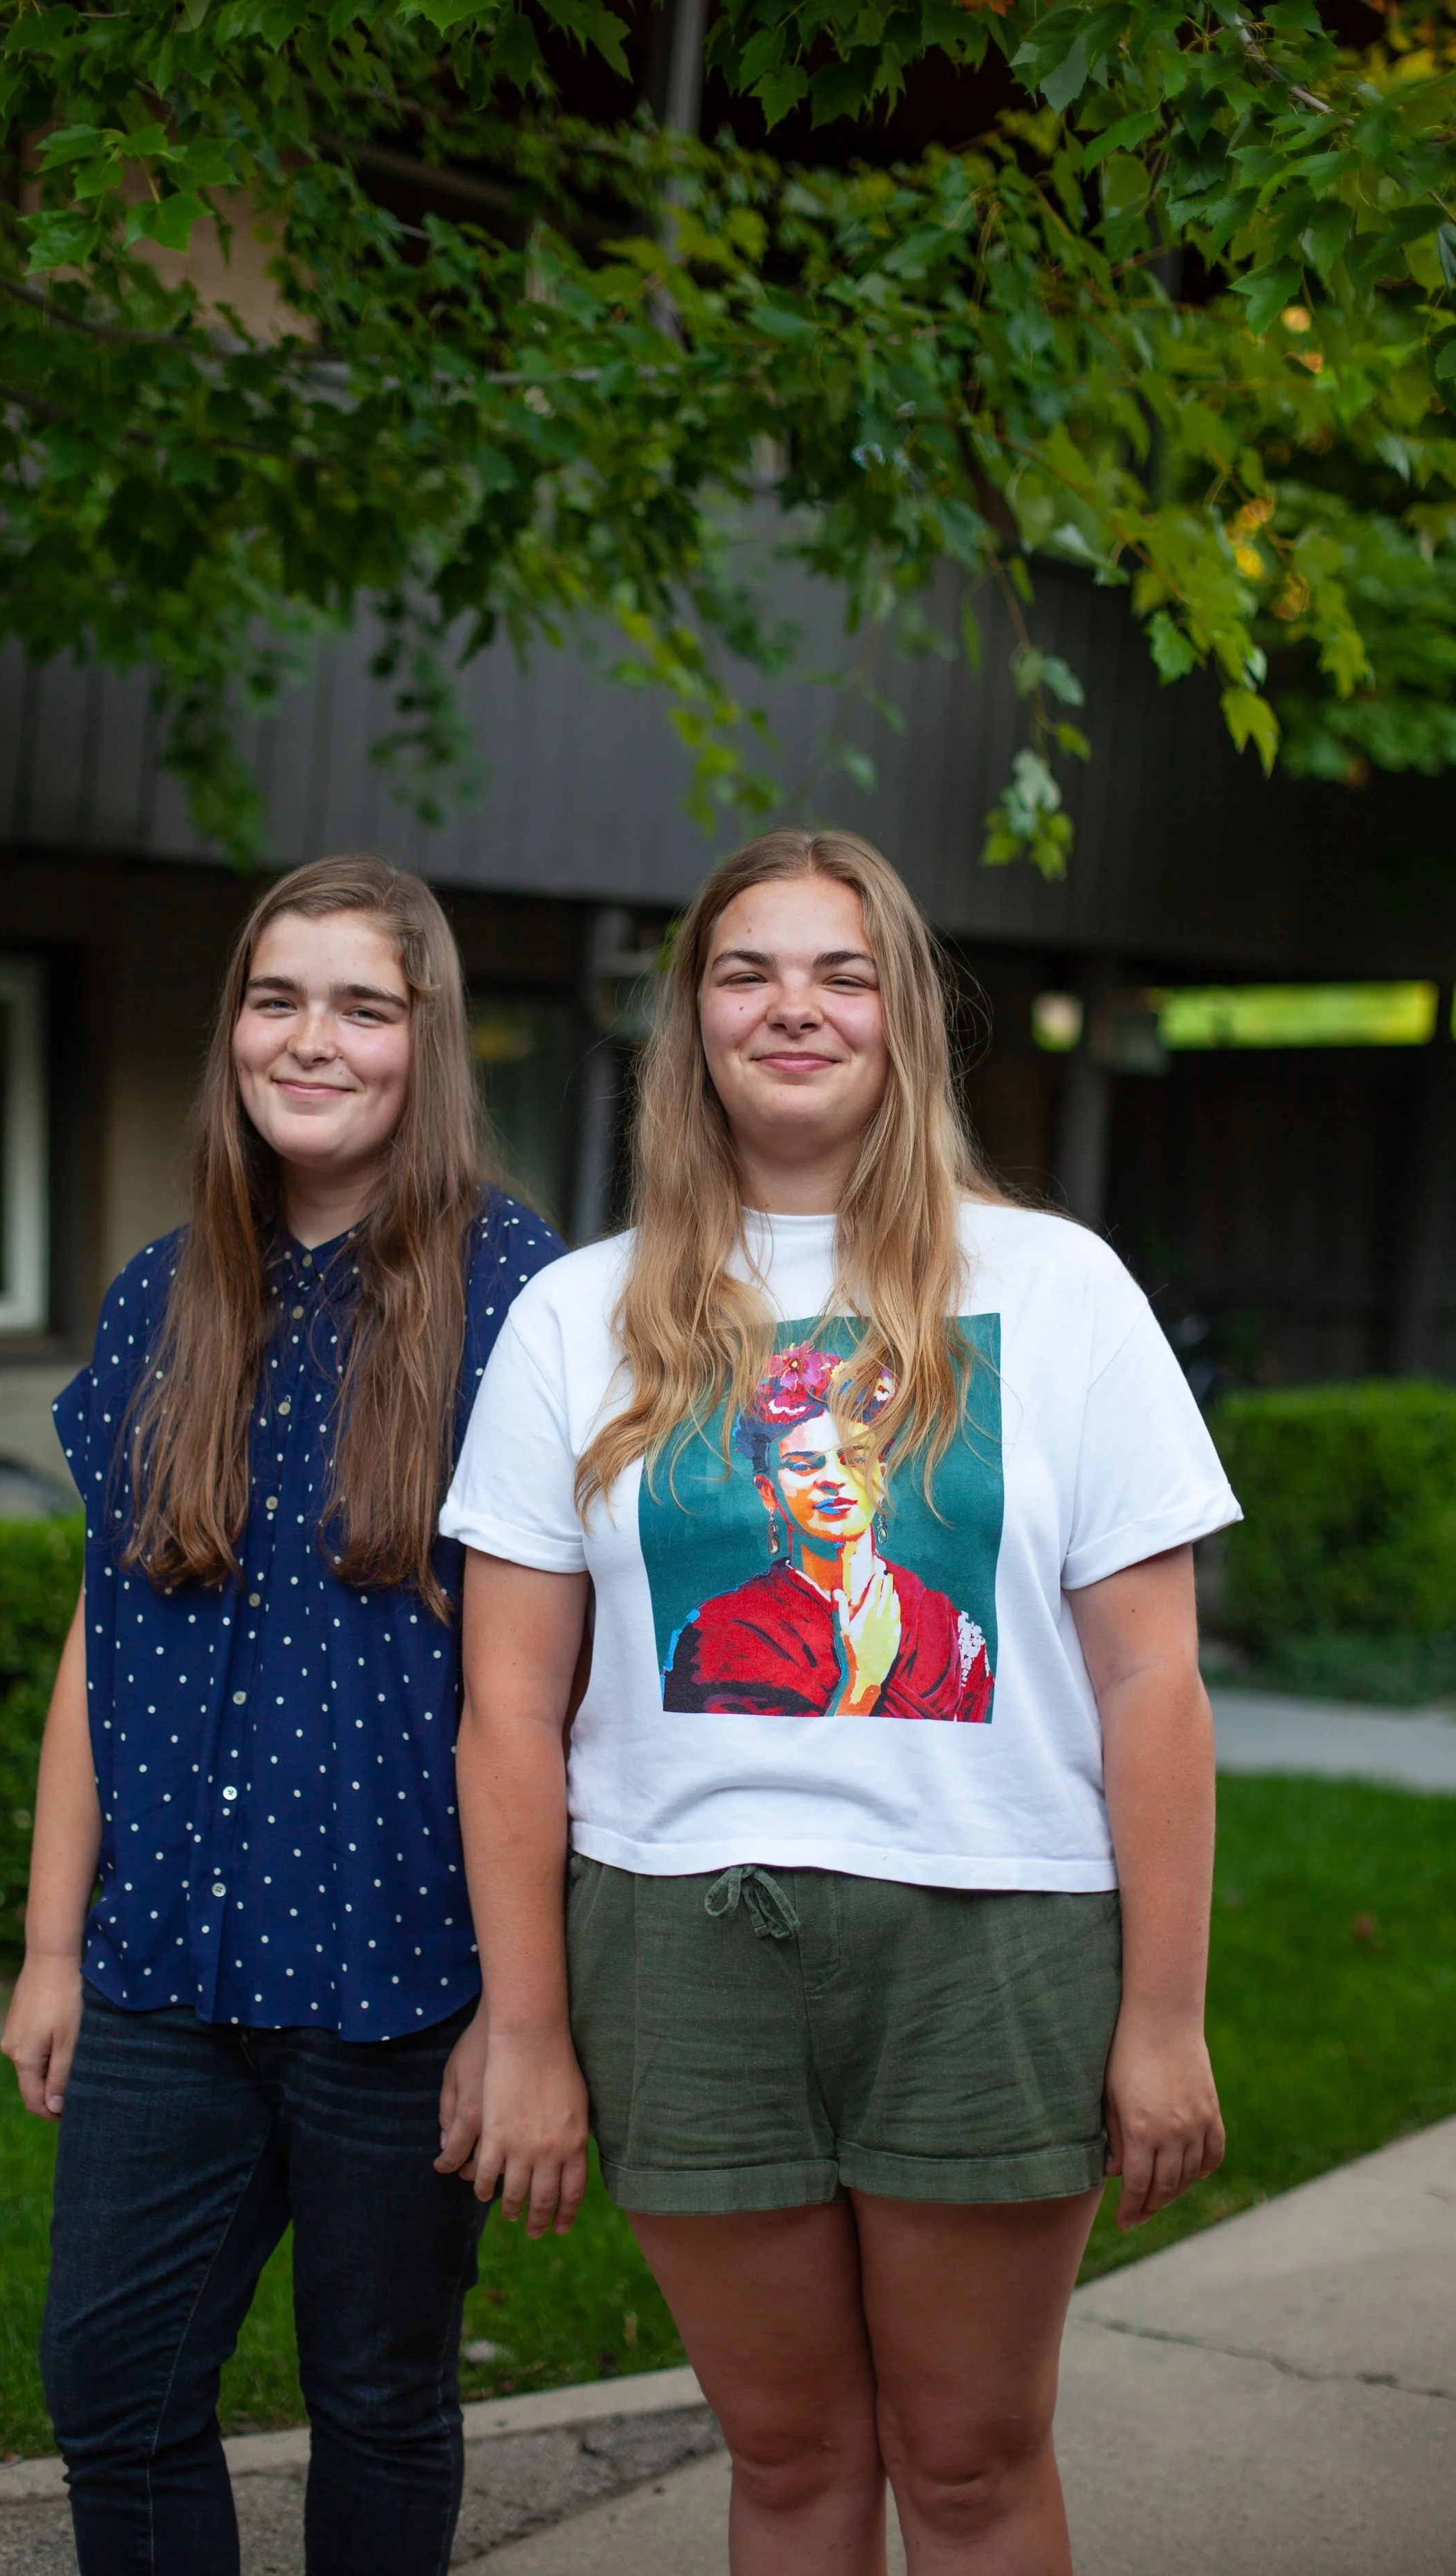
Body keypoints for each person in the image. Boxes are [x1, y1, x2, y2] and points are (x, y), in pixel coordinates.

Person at [442, 826, 1235, 2575]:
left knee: (965, 2461)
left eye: (840, 969)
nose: (792, 1005)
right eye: (746, 970)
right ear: (692, 1022)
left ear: (905, 1019)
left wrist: (1162, 2014)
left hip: (995, 1942)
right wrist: (524, 2030)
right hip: (678, 1945)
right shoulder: (580, 1315)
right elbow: (508, 1706)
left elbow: (1150, 1676)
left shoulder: (1059, 1286)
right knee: (791, 2457)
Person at [1, 855, 560, 2576]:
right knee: (110, 2373)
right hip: (168, 1964)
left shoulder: (524, 1296)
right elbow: (106, 1633)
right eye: (276, 996)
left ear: (428, 1040)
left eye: (363, 1006)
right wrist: (47, 1944)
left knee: (379, 2396)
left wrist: (524, 2012)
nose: (311, 1039)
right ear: (232, 1025)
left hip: (408, 1977)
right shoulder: (161, 1289)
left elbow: (564, 1690)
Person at [662, 1339, 992, 1720]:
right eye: (804, 1465)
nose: (833, 1479)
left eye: (854, 1457)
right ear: (768, 1492)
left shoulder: (945, 1624)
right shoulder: (718, 1635)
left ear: (880, 1476)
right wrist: (862, 1682)